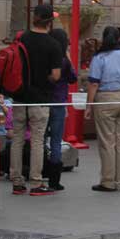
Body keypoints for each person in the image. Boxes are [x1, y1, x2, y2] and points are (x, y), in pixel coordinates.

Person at [10, 4, 63, 196]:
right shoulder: (53, 45)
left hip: (19, 96)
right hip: (40, 98)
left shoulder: (21, 39)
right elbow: (56, 75)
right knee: (37, 140)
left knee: (17, 138)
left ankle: (16, 180)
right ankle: (36, 181)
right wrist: (44, 79)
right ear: (50, 21)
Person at [86, 26, 120, 191]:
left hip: (106, 98)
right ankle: (119, 180)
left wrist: (89, 105)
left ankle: (107, 180)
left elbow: (94, 83)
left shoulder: (100, 57)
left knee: (107, 142)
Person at [45, 28, 77, 191]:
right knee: (56, 141)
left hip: (44, 100)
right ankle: (54, 180)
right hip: (59, 102)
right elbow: (73, 77)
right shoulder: (64, 59)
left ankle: (38, 171)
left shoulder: (47, 57)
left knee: (39, 138)